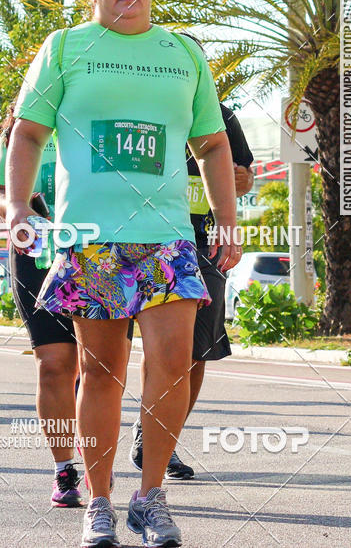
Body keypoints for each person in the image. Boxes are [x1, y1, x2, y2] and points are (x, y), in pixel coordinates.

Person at [6, 0, 240, 548]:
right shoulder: (65, 48)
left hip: (166, 237)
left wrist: (227, 219)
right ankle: (99, 501)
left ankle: (151, 496)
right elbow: (27, 133)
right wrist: (18, 204)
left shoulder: (182, 53)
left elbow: (212, 143)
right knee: (101, 371)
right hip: (91, 239)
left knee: (172, 363)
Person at [130, 95, 253, 480]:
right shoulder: (144, 108)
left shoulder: (222, 117)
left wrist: (239, 180)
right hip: (152, 239)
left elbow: (245, 176)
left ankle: (161, 440)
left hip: (205, 245)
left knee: (197, 352)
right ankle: (149, 432)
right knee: (163, 347)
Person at [0, 109, 81, 508]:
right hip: (35, 252)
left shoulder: (97, 112)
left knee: (96, 365)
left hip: (96, 250)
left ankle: (99, 456)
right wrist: (18, 208)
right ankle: (65, 468)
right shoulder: (20, 130)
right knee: (54, 363)